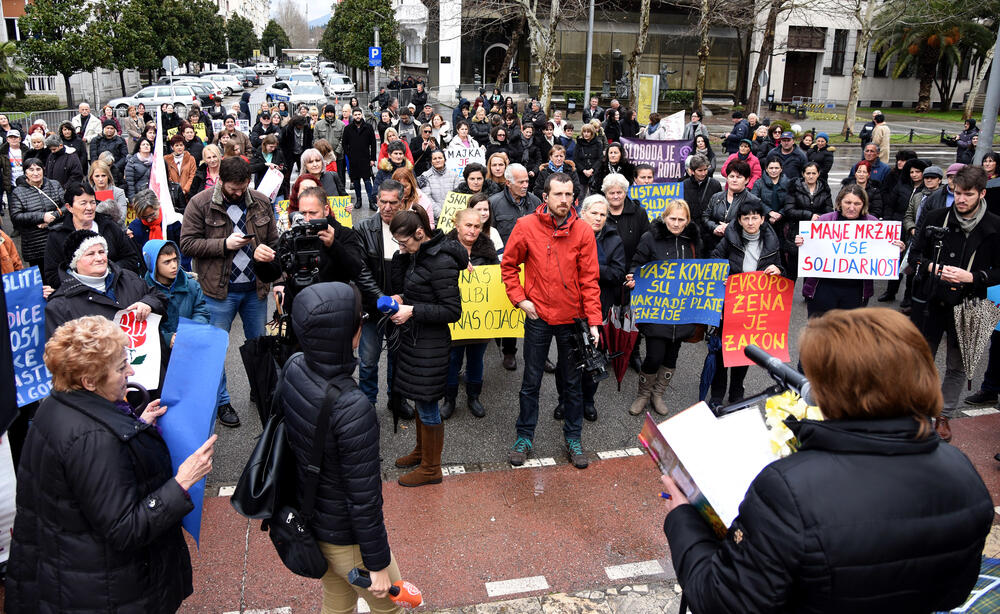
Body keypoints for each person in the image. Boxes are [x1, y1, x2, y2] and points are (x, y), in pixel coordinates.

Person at [662, 307, 993, 613]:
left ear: (835, 388)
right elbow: (955, 590)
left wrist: (682, 518)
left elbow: (722, 601)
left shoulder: (788, 490)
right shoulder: (961, 471)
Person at [5, 315, 216, 613]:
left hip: (69, 572)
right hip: (105, 590)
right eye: (120, 368)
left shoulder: (55, 405)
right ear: (89, 381)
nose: (130, 371)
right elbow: (125, 528)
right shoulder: (93, 439)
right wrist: (182, 482)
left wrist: (138, 423)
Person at [274, 283, 406, 614]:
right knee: (391, 608)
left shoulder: (295, 366)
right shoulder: (353, 407)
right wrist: (376, 564)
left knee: (337, 600)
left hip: (314, 520)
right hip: (348, 539)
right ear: (347, 334)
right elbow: (363, 498)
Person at [502, 172, 601, 469]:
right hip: (539, 317)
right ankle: (524, 436)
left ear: (575, 197)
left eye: (569, 195)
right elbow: (508, 266)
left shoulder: (583, 231)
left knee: (572, 383)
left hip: (572, 318)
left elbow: (589, 279)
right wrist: (520, 299)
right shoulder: (525, 226)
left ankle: (573, 437)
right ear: (545, 196)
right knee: (531, 380)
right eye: (558, 194)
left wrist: (594, 322)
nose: (564, 200)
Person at [179, 157, 281, 429]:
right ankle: (222, 400)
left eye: (243, 187)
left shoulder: (260, 201)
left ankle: (260, 392)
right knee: (216, 351)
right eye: (233, 188)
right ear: (220, 180)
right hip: (217, 291)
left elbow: (274, 242)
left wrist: (268, 256)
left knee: (259, 345)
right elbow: (187, 244)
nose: (238, 193)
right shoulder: (200, 203)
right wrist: (223, 244)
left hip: (255, 290)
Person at [909, 166, 1000, 440]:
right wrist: (932, 269)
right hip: (931, 301)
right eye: (957, 193)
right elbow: (914, 257)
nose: (961, 199)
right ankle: (920, 413)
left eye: (968, 195)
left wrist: (973, 276)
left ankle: (944, 416)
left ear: (982, 194)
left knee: (958, 366)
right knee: (921, 361)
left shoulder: (995, 226)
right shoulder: (937, 217)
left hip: (973, 304)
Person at [387, 207, 466, 486]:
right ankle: (422, 452)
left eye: (403, 241)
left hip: (429, 344)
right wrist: (402, 296)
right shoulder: (416, 254)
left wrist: (412, 310)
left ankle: (432, 468)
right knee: (421, 400)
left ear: (420, 233)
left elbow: (451, 311)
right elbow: (417, 290)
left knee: (428, 403)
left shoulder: (441, 261)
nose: (400, 246)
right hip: (416, 339)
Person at [627, 199, 701, 415]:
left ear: (687, 220)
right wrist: (633, 278)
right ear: (664, 217)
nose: (676, 224)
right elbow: (637, 265)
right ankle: (643, 394)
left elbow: (703, 270)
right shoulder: (650, 238)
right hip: (657, 311)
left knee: (671, 356)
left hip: (683, 311)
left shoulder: (694, 241)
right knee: (654, 356)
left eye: (681, 219)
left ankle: (658, 394)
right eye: (672, 219)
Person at [555, 194, 625, 421]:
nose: (598, 218)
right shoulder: (568, 235)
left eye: (602, 214)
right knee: (566, 360)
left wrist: (591, 268)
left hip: (599, 306)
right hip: (569, 308)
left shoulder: (613, 239)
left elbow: (617, 273)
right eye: (593, 213)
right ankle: (563, 400)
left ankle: (588, 400)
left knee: (594, 357)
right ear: (582, 213)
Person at [707, 199, 783, 405]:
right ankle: (717, 392)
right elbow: (715, 259)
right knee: (723, 349)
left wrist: (778, 271)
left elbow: (781, 268)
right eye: (746, 218)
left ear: (762, 219)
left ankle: (736, 390)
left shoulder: (772, 241)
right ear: (739, 220)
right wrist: (721, 273)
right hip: (730, 302)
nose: (750, 222)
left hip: (754, 306)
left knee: (745, 349)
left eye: (754, 218)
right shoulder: (730, 238)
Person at [797, 184, 902, 319]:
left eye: (857, 203)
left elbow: (880, 253)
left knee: (849, 332)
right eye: (848, 202)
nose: (852, 207)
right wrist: (802, 242)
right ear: (839, 202)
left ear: (863, 204)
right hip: (823, 288)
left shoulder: (874, 224)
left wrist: (894, 249)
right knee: (820, 332)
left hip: (856, 290)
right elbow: (810, 249)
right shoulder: (824, 220)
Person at [43, 229, 163, 336]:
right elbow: (60, 354)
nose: (99, 258)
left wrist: (148, 303)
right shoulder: (60, 305)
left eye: (101, 252)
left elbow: (159, 297)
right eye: (90, 254)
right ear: (75, 261)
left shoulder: (127, 277)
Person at [440, 208, 499, 420]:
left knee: (476, 358)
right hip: (453, 318)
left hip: (479, 319)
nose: (472, 231)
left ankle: (474, 397)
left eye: (477, 226)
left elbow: (496, 279)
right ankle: (449, 400)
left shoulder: (488, 249)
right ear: (457, 225)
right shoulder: (444, 248)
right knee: (452, 359)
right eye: (468, 225)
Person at [44, 183, 138, 288]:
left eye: (92, 202)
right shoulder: (58, 235)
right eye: (83, 203)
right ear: (69, 207)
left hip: (114, 287)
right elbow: (52, 274)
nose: (89, 208)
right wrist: (83, 278)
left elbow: (131, 259)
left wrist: (107, 271)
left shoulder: (109, 226)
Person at [142, 239, 209, 351]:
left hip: (190, 343)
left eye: (175, 260)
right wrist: (166, 338)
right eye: (167, 262)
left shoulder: (191, 284)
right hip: (160, 352)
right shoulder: (143, 290)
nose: (174, 266)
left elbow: (201, 311)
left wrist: (191, 331)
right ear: (153, 265)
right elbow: (143, 326)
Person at [779, 161, 832, 279]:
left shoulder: (824, 189)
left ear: (818, 174)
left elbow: (829, 210)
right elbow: (789, 210)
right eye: (808, 173)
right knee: (792, 270)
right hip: (796, 232)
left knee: (811, 269)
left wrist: (819, 217)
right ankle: (787, 295)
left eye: (814, 173)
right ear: (803, 174)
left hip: (816, 234)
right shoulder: (794, 188)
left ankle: (808, 295)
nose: (811, 176)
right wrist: (809, 215)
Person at [9, 158, 64, 269]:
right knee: (42, 281)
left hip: (57, 241)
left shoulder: (54, 185)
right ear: (25, 172)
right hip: (35, 245)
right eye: (31, 170)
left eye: (38, 169)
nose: (35, 173)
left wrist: (52, 217)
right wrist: (42, 217)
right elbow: (16, 216)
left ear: (43, 169)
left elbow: (67, 206)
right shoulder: (18, 192)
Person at [702, 159, 762, 252]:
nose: (734, 180)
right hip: (714, 246)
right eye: (731, 176)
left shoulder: (753, 200)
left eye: (739, 177)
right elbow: (705, 217)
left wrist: (730, 228)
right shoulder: (716, 197)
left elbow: (756, 226)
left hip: (740, 248)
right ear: (727, 178)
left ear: (746, 180)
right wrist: (715, 227)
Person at [128, 189, 183, 261]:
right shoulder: (134, 227)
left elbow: (184, 250)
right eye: (144, 217)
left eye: (152, 215)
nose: (149, 220)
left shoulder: (173, 221)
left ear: (158, 206)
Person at [344, 108, 378, 210]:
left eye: (359, 114)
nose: (357, 116)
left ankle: (371, 202)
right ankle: (359, 200)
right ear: (353, 116)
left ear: (362, 115)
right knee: (356, 181)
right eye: (355, 114)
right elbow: (344, 144)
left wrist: (372, 159)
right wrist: (349, 155)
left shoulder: (368, 127)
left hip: (365, 159)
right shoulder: (348, 128)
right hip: (353, 159)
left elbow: (373, 144)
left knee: (367, 181)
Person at [682, 154, 722, 225]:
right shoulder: (684, 185)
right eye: (700, 170)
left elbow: (718, 209)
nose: (703, 173)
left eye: (705, 170)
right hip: (690, 227)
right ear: (692, 171)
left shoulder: (715, 185)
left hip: (708, 228)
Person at [88, 159, 128, 229]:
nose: (100, 179)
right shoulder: (88, 194)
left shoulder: (119, 192)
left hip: (117, 230)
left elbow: (122, 218)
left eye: (103, 176)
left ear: (108, 176)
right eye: (97, 176)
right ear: (92, 177)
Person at [750, 157, 791, 223]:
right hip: (763, 219)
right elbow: (754, 200)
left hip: (785, 219)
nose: (774, 171)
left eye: (776, 168)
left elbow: (790, 202)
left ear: (781, 169)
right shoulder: (758, 183)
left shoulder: (788, 183)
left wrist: (780, 214)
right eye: (771, 168)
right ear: (766, 169)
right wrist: (769, 212)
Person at [419, 149, 458, 216]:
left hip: (452, 217)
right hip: (434, 218)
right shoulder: (425, 176)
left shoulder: (454, 175)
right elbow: (427, 198)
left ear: (445, 160)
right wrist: (441, 214)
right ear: (431, 162)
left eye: (440, 158)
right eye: (434, 159)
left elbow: (457, 196)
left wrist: (451, 214)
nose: (437, 160)